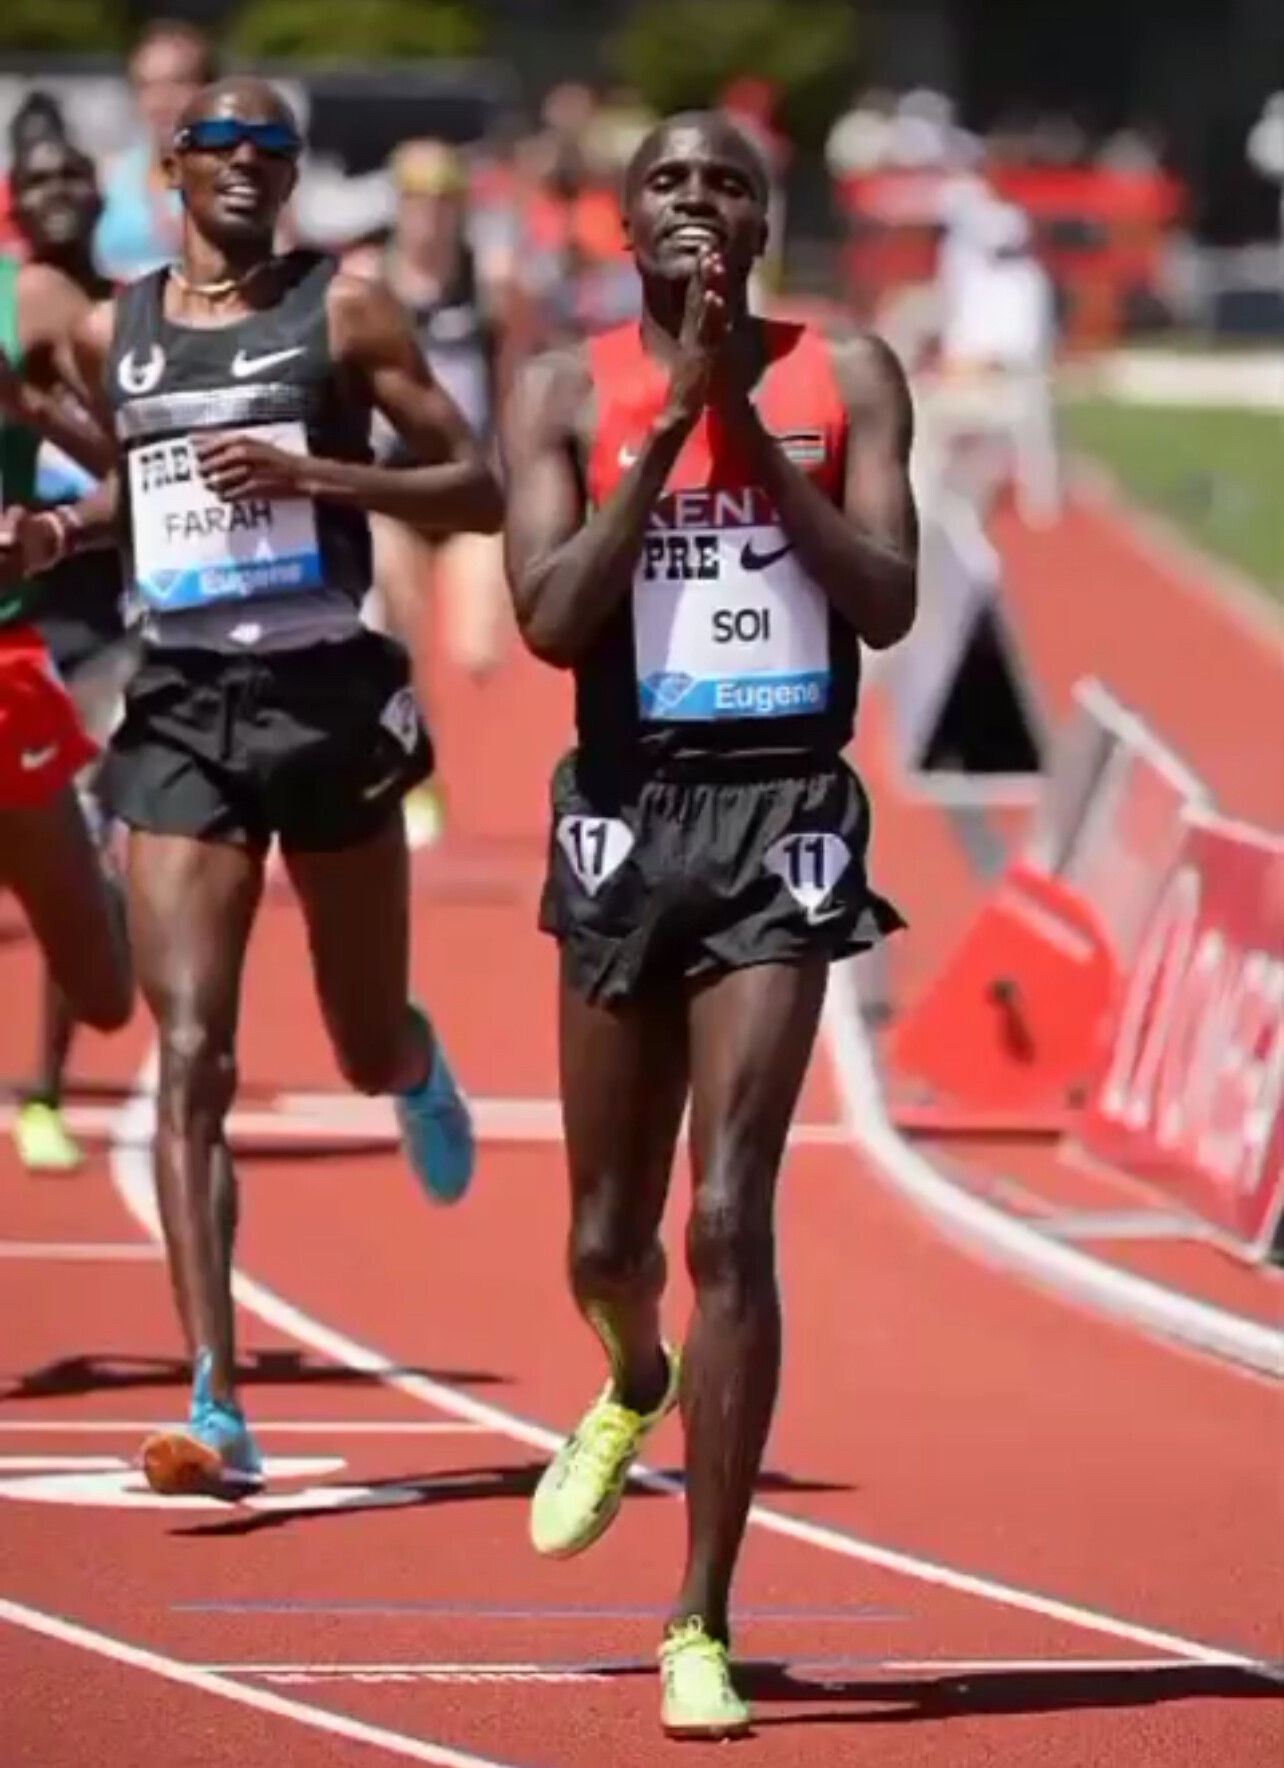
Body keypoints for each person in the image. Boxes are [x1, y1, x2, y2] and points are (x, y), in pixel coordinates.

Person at [6, 76, 503, 1499]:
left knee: (354, 1035)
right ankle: (215, 1399)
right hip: (182, 704)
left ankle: (409, 1062)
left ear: (292, 178)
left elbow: (474, 489)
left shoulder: (348, 313)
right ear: (171, 169)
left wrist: (318, 476)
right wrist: (55, 534)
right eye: (219, 144)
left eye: (270, 148)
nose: (245, 163)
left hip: (326, 695)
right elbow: (147, 493)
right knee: (191, 1053)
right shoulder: (115, 331)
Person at [501, 111, 916, 1737]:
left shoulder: (847, 373)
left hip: (785, 815)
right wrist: (671, 422)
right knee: (606, 1244)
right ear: (623, 228)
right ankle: (629, 1373)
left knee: (728, 1215)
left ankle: (700, 1616)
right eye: (667, 182)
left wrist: (740, 416)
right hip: (624, 810)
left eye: (726, 183)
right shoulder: (559, 388)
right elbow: (549, 620)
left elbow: (884, 599)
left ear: (762, 221)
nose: (697, 201)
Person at [1, 114, 140, 1172]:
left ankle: (48, 1077)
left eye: (71, 175)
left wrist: (60, 524)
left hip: (91, 621)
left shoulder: (78, 308)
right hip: (25, 626)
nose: (55, 194)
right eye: (34, 177)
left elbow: (145, 470)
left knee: (103, 971)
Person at [353, 138, 519, 846]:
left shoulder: (492, 279)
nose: (430, 215)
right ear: (398, 205)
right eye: (417, 199)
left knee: (479, 648)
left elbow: (515, 376)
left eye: (443, 199)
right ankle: (416, 776)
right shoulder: (367, 280)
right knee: (399, 639)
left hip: (469, 484)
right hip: (394, 485)